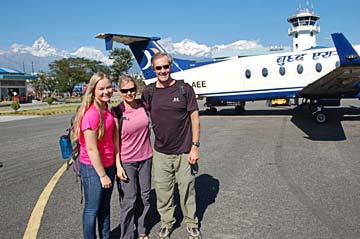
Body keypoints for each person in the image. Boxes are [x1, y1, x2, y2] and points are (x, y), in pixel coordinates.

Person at [141, 52, 202, 239]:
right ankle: (167, 223)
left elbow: (194, 118)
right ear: (153, 69)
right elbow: (138, 114)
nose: (162, 71)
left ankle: (191, 223)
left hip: (185, 151)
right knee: (163, 191)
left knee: (187, 189)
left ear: (171, 66)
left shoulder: (184, 89)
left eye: (165, 67)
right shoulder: (148, 92)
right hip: (161, 152)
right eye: (158, 68)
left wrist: (195, 146)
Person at [72, 72, 117, 239]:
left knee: (105, 207)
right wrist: (103, 175)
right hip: (93, 168)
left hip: (108, 164)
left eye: (108, 87)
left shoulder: (106, 109)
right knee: (92, 209)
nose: (106, 91)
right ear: (93, 90)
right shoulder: (91, 114)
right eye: (101, 89)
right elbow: (91, 149)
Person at [114, 76, 153, 239]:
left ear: (136, 90)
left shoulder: (144, 106)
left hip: (146, 158)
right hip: (127, 161)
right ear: (120, 92)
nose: (129, 93)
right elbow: (115, 142)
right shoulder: (117, 112)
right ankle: (127, 235)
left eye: (132, 90)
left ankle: (142, 229)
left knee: (145, 196)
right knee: (129, 199)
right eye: (125, 91)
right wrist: (118, 165)